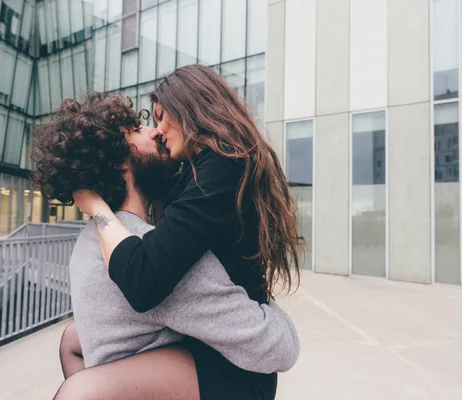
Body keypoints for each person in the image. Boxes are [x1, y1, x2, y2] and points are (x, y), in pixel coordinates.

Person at [31, 93, 300, 399]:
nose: (155, 131)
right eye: (136, 129)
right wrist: (269, 307)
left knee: (71, 337)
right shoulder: (154, 257)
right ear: (119, 161)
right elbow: (278, 350)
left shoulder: (91, 239)